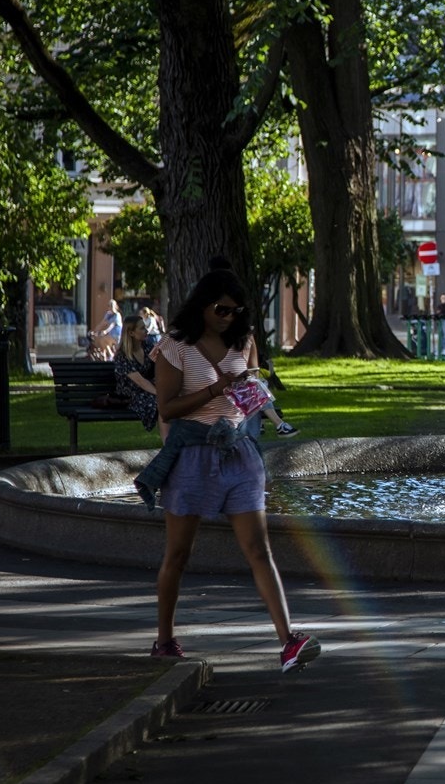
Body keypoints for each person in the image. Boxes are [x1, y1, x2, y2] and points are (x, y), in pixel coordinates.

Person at [145, 260, 319, 672]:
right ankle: (164, 640)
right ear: (202, 305)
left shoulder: (245, 341)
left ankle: (288, 642)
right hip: (193, 455)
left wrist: (256, 398)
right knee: (178, 554)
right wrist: (215, 389)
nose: (228, 317)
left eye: (235, 311)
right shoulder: (175, 346)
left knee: (259, 550)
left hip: (239, 453)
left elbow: (252, 390)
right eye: (221, 309)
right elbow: (167, 409)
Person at [113, 315, 161, 436]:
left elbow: (161, 366)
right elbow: (140, 381)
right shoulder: (122, 356)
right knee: (160, 402)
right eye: (142, 328)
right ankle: (168, 441)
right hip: (130, 394)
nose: (146, 331)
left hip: (147, 390)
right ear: (131, 333)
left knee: (171, 400)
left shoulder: (148, 347)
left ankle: (172, 440)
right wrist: (161, 394)